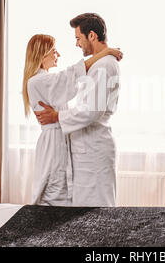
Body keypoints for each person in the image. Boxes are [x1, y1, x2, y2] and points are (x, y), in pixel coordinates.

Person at [23, 34, 122, 206]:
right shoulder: (37, 81)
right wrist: (106, 52)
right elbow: (72, 74)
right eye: (54, 51)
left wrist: (57, 116)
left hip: (60, 140)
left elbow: (71, 78)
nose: (58, 55)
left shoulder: (45, 81)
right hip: (53, 143)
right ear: (42, 54)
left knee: (62, 191)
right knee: (54, 192)